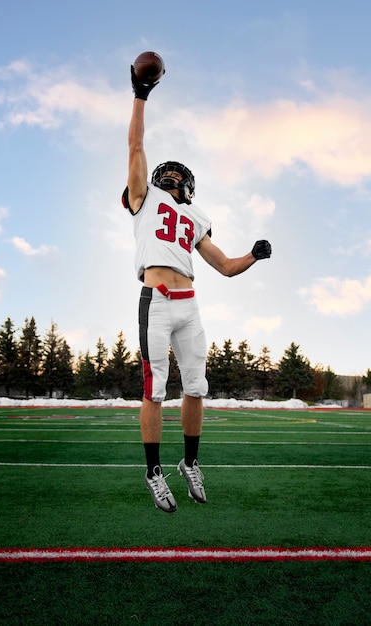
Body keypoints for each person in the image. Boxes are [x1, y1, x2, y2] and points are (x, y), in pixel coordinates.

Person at [122, 65, 272, 513]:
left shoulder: (197, 216)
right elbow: (135, 145)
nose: (167, 178)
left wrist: (253, 255)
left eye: (174, 176)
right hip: (156, 299)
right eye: (162, 174)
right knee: (154, 391)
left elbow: (224, 266)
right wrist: (140, 94)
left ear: (187, 186)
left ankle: (189, 463)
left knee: (196, 387)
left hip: (190, 304)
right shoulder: (143, 199)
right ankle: (153, 471)